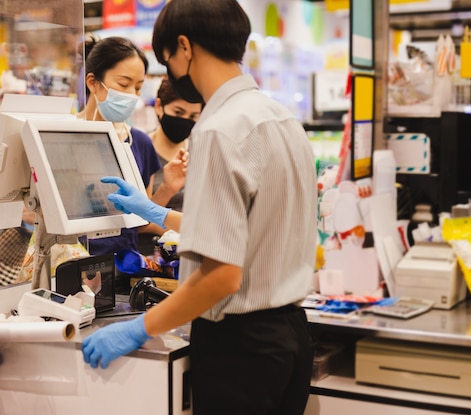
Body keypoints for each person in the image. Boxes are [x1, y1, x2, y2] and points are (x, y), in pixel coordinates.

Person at [81, 1, 318, 415]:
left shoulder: (217, 129)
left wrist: (141, 328)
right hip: (292, 338)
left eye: (167, 59)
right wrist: (157, 213)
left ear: (184, 48)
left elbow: (222, 275)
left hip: (240, 349)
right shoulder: (281, 119)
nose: (170, 72)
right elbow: (245, 231)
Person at [78, 36, 184, 258]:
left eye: (138, 87)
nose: (131, 95)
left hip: (126, 267)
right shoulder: (65, 135)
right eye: (124, 84)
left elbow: (142, 218)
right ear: (93, 82)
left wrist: (167, 189)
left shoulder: (139, 143)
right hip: (74, 262)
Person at [138, 79, 201, 255]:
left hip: (192, 256)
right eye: (178, 112)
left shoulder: (200, 152)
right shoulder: (141, 149)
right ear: (159, 106)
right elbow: (138, 223)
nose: (184, 121)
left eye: (193, 117)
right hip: (150, 258)